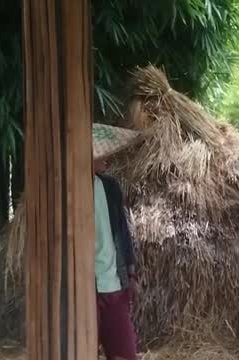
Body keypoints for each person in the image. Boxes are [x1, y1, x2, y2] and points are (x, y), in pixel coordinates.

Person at [92, 123, 140, 360]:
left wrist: (130, 275)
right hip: (82, 291)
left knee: (125, 353)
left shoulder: (110, 187)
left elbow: (122, 232)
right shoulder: (65, 192)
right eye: (101, 151)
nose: (107, 156)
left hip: (114, 285)